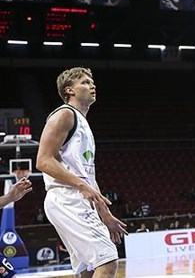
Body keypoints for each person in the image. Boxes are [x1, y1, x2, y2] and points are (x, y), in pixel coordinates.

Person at [36, 67, 127, 277]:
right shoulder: (65, 114)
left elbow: (87, 176)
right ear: (69, 90)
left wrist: (105, 213)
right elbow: (43, 160)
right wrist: (81, 186)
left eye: (92, 82)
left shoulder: (82, 122)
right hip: (67, 197)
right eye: (85, 82)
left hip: (74, 198)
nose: (92, 85)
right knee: (108, 261)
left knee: (88, 269)